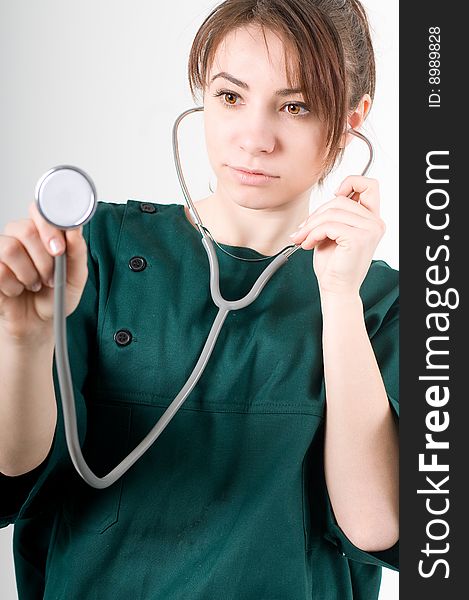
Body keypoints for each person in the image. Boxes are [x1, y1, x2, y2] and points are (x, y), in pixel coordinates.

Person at [0, 0, 399, 598]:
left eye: (296, 106)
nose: (254, 138)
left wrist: (339, 295)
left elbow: (377, 526)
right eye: (231, 97)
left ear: (351, 118)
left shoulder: (379, 301)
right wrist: (21, 343)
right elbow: (14, 477)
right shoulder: (95, 251)